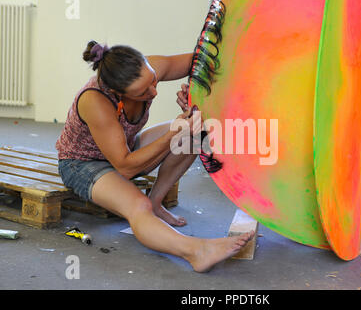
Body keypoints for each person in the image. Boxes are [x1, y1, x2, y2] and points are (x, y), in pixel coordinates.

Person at [55, 41, 254, 272]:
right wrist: (173, 132)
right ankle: (196, 252)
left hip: (126, 149)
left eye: (153, 81)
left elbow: (202, 62)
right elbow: (125, 168)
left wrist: (196, 95)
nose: (154, 92)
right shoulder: (95, 101)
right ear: (119, 92)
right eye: (143, 93)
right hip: (84, 164)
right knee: (138, 206)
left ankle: (157, 201)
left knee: (197, 133)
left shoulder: (148, 70)